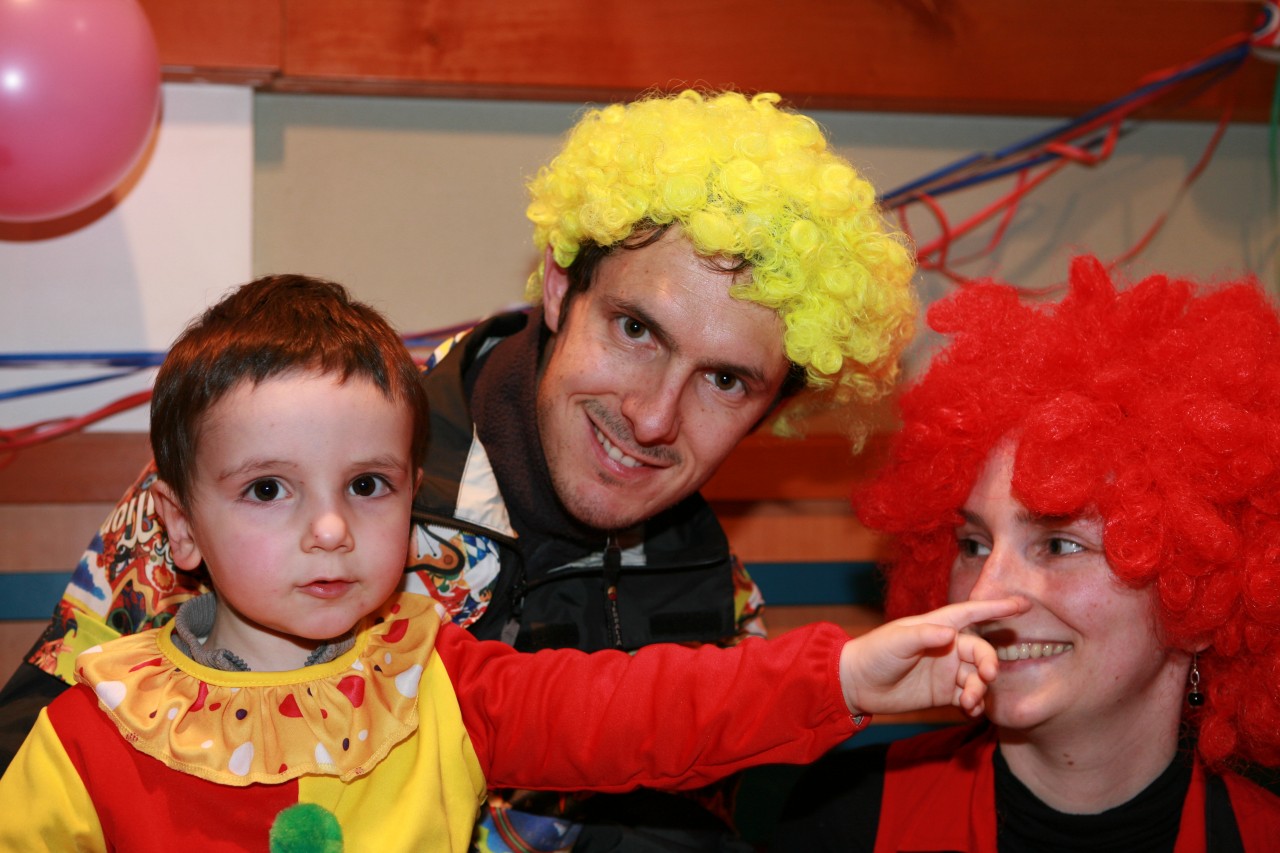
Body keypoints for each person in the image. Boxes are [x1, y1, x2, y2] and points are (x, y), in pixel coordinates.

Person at [0, 90, 916, 849]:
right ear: (560, 285)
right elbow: (40, 746)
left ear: (771, 406)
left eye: (724, 379)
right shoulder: (308, 449)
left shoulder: (712, 590)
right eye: (636, 328)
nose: (652, 415)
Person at [0, 275, 1019, 852]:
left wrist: (843, 675)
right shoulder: (93, 725)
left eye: (368, 485)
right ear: (178, 528)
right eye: (270, 490)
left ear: (410, 490)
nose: (330, 529)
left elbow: (643, 711)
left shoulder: (442, 679)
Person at [771, 256, 1280, 851]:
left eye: (1059, 544)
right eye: (972, 545)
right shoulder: (846, 817)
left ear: (1200, 599)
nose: (984, 593)